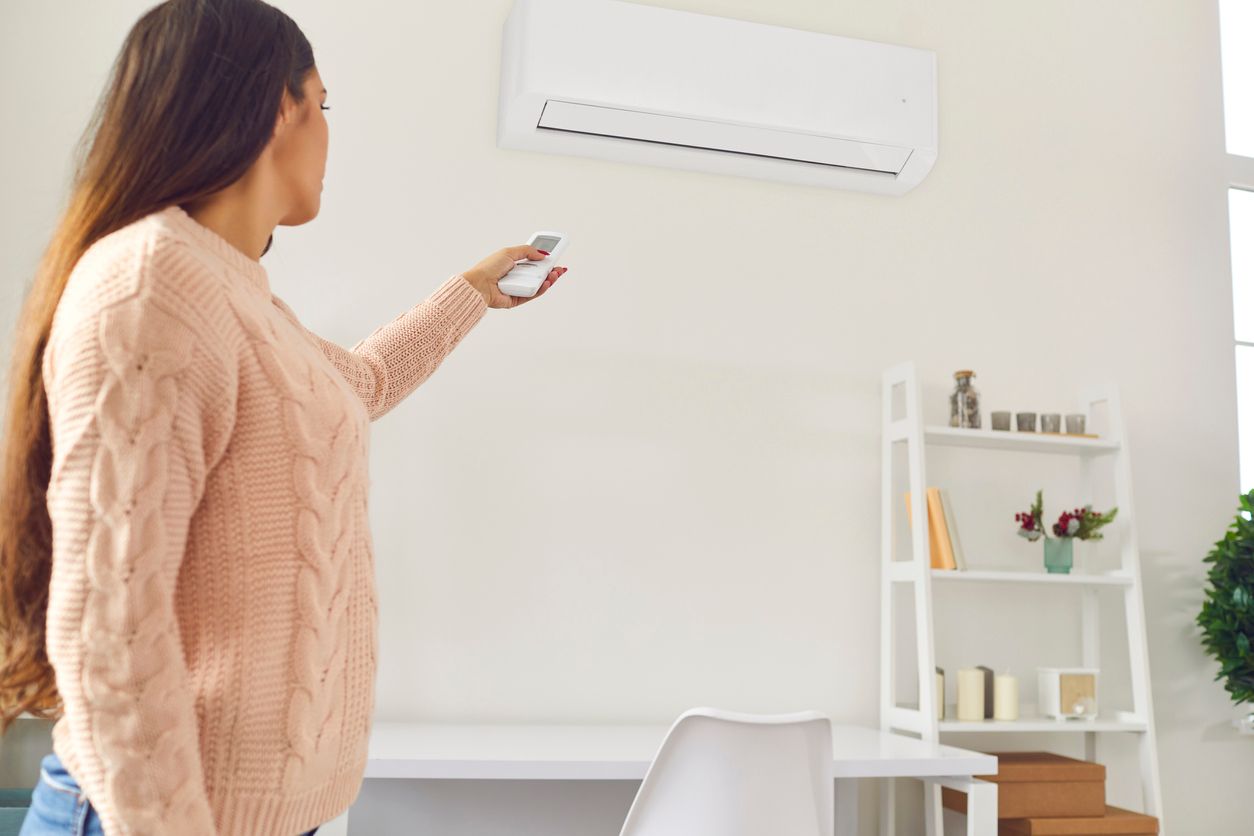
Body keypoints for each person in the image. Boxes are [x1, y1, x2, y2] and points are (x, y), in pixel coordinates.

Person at [0, 1, 568, 833]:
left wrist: (473, 293)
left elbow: (360, 383)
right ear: (279, 106)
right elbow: (109, 632)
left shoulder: (236, 295)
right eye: (324, 104)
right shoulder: (151, 286)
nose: (330, 135)